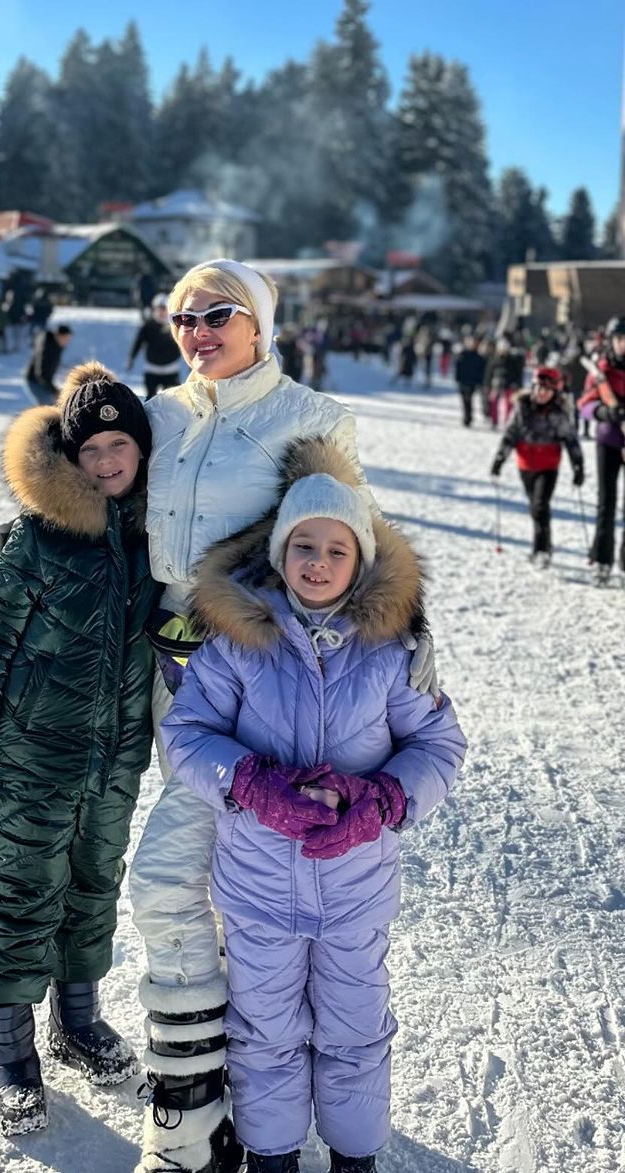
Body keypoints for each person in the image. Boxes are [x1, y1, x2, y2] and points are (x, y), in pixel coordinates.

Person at [129, 259, 438, 1173]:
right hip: (168, 672)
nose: (198, 330)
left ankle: (192, 1117)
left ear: (260, 322)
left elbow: (354, 532)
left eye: (218, 313)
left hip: (261, 665)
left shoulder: (307, 418)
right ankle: (248, 1092)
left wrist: (411, 625)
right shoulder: (161, 416)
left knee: (172, 880)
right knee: (237, 886)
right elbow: (102, 489)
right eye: (182, 316)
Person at [159, 453, 466, 1172]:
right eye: (304, 545)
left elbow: (439, 744)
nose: (318, 563)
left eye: (336, 549)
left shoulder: (391, 650)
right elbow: (186, 733)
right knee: (264, 1030)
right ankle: (271, 1154)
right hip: (259, 887)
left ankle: (355, 1155)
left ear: (360, 561)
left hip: (355, 889)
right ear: (279, 552)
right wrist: (251, 782)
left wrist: (383, 800)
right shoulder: (239, 642)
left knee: (355, 1031)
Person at [0, 362, 159, 1136]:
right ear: (71, 457)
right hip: (35, 749)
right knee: (23, 889)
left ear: (141, 449)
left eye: (119, 445)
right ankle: (10, 1050)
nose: (105, 460)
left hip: (117, 754)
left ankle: (78, 1023)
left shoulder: (154, 534)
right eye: (90, 448)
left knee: (93, 885)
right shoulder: (42, 536)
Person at [491, 368, 583, 568]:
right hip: (526, 465)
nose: (542, 393)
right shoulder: (522, 407)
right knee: (535, 507)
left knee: (541, 505)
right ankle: (544, 544)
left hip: (548, 465)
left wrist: (578, 465)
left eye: (547, 390)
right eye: (539, 388)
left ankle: (541, 550)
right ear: (533, 387)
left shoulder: (559, 412)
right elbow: (510, 435)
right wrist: (500, 459)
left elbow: (570, 439)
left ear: (554, 392)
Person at [578, 319, 625, 585]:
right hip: (608, 440)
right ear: (611, 340)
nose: (623, 344)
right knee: (606, 502)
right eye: (619, 339)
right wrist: (603, 412)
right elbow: (584, 405)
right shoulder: (601, 370)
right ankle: (602, 560)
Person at [128, 294, 184, 399]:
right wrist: (132, 357)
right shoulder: (148, 325)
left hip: (171, 370)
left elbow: (185, 343)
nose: (162, 312)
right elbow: (138, 342)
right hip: (152, 370)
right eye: (159, 308)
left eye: (164, 309)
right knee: (151, 399)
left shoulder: (175, 324)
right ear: (154, 309)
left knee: (173, 400)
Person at [24, 323, 73, 405]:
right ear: (59, 335)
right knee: (50, 405)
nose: (67, 342)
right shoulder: (47, 346)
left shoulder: (56, 346)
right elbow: (41, 373)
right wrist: (54, 391)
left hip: (43, 381)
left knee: (55, 403)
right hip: (35, 381)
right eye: (66, 338)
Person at [453, 334, 487, 427]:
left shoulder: (479, 357)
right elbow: (458, 367)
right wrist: (457, 378)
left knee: (469, 399)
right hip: (463, 381)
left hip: (472, 382)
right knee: (464, 400)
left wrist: (479, 381)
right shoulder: (462, 355)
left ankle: (468, 417)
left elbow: (481, 370)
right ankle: (467, 416)